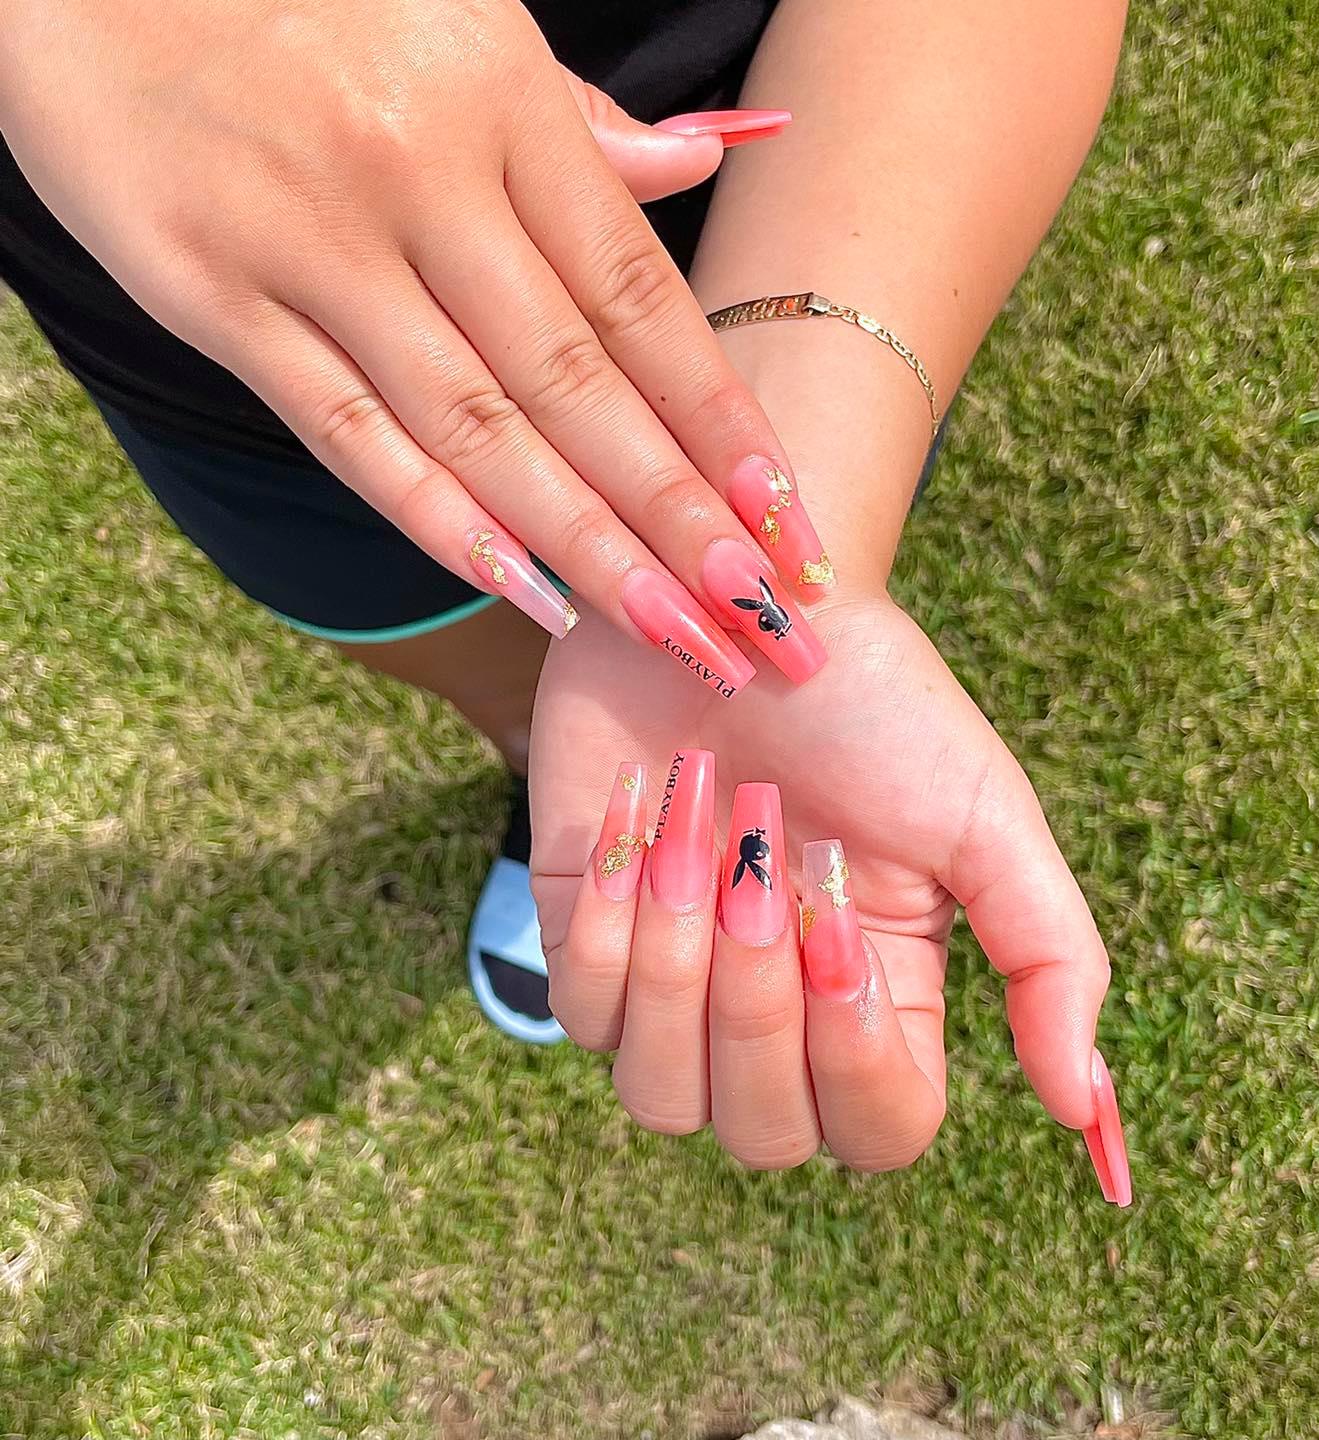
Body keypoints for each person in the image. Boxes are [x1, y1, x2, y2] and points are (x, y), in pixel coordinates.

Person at [0, 0, 1131, 1190]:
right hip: (222, 336)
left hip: (776, 206)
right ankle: (530, 750)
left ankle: (570, 754)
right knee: (447, 635)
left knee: (604, 625)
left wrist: (782, 474)